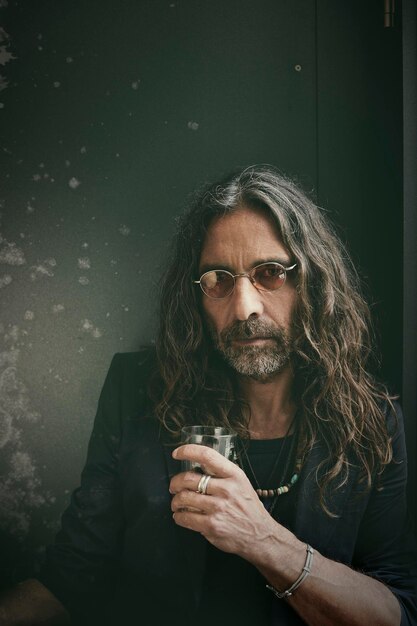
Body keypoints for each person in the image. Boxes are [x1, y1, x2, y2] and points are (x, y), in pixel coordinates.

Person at [0, 165, 416, 626]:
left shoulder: (371, 421)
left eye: (271, 273)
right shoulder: (137, 391)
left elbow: (396, 611)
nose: (244, 307)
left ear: (311, 282)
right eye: (218, 280)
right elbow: (70, 578)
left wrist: (263, 540)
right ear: (195, 296)